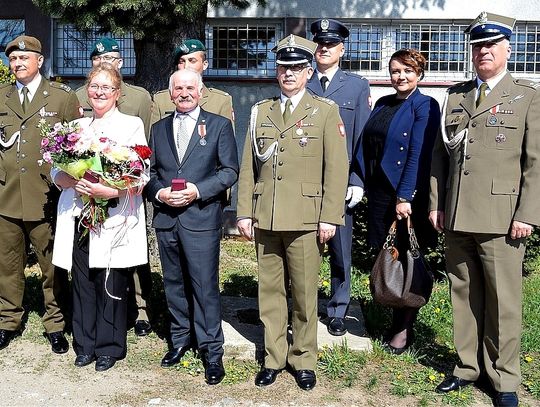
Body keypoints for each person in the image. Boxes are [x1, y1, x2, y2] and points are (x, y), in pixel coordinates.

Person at [430, 12, 540, 407]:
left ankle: (505, 378)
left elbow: (536, 163)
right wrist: (437, 204)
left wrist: (527, 214)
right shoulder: (456, 96)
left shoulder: (526, 96)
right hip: (457, 214)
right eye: (478, 46)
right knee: (463, 294)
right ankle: (466, 368)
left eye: (491, 45)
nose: (483, 52)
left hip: (502, 218)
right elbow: (440, 158)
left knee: (503, 301)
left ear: (508, 49)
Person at [237, 34, 349, 390]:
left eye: (297, 67)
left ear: (309, 71)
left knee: (303, 294)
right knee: (269, 293)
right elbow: (247, 167)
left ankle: (303, 359)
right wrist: (243, 212)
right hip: (266, 215)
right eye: (284, 67)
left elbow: (337, 168)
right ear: (277, 71)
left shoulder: (324, 111)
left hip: (305, 217)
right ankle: (273, 358)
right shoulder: (261, 111)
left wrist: (330, 216)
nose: (289, 73)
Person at [51, 63, 149, 371]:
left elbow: (140, 173)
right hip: (81, 213)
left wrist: (112, 190)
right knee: (83, 280)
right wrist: (64, 178)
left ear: (117, 93)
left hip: (113, 215)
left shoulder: (131, 124)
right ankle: (85, 343)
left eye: (106, 87)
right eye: (95, 87)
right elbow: (57, 167)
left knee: (111, 280)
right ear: (87, 91)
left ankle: (109, 345)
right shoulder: (77, 128)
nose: (99, 92)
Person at [146, 69, 238, 385]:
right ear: (170, 94)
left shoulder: (218, 125)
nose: (184, 93)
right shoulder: (157, 129)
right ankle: (180, 340)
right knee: (173, 283)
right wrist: (160, 192)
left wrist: (198, 190)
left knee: (204, 286)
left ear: (200, 91)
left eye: (190, 87)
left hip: (201, 218)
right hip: (168, 220)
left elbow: (229, 171)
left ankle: (212, 351)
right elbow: (150, 173)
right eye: (178, 88)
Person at [353, 48, 440, 354]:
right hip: (379, 192)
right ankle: (392, 313)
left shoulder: (425, 105)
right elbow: (369, 146)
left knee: (407, 260)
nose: (400, 77)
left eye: (407, 71)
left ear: (419, 75)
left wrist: (405, 197)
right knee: (388, 257)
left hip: (405, 195)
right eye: (395, 71)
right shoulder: (383, 102)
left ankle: (402, 330)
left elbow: (418, 153)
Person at [0, 35, 80, 353]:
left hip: (46, 195)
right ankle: (8, 320)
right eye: (13, 60)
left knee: (53, 266)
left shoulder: (60, 97)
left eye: (24, 58)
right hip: (6, 195)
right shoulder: (1, 96)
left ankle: (55, 323)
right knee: (7, 265)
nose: (18, 64)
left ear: (40, 61)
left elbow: (77, 147)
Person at [77, 37, 154, 337]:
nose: (103, 62)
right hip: (87, 200)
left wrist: (119, 184)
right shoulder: (81, 95)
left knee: (127, 261)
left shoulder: (138, 97)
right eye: (97, 58)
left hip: (122, 198)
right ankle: (94, 323)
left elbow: (141, 149)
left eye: (109, 57)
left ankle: (140, 310)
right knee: (91, 266)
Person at [307, 18, 371, 336]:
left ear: (341, 50)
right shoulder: (303, 82)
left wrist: (358, 180)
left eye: (330, 44)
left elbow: (361, 136)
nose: (324, 49)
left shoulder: (357, 86)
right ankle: (302, 306)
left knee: (340, 252)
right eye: (319, 43)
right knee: (304, 248)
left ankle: (338, 308)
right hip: (304, 184)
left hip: (340, 183)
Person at [150, 39, 234, 125]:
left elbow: (226, 136)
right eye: (181, 62)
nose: (186, 66)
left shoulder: (220, 101)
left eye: (192, 61)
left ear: (204, 65)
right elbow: (155, 135)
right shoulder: (161, 100)